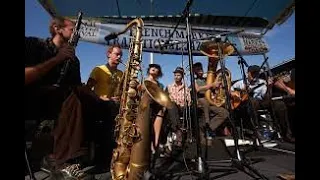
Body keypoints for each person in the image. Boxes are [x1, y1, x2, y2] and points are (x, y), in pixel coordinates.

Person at [25, 16, 117, 177]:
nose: (77, 34)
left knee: (103, 105)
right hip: (33, 99)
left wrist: (99, 99)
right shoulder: (34, 45)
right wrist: (57, 59)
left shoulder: (74, 60)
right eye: (72, 29)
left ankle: (105, 156)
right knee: (71, 94)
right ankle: (63, 161)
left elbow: (77, 87)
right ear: (57, 28)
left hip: (63, 100)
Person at [231, 65, 295, 143]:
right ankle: (255, 131)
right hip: (245, 105)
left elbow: (266, 98)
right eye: (253, 73)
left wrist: (269, 87)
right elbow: (230, 90)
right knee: (252, 101)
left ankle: (286, 134)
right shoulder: (240, 83)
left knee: (279, 104)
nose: (255, 75)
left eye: (256, 73)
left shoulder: (262, 82)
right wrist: (234, 93)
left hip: (260, 102)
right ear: (248, 73)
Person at [86, 44, 123, 170]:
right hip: (100, 104)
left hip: (115, 105)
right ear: (109, 54)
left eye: (120, 55)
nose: (119, 57)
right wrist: (103, 98)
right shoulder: (98, 69)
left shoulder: (121, 73)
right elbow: (87, 89)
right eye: (117, 54)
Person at [193, 62, 229, 140]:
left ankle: (209, 128)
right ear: (194, 71)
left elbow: (213, 89)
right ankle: (205, 127)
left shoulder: (207, 79)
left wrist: (217, 86)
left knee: (224, 112)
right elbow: (197, 89)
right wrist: (212, 85)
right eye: (198, 70)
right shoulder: (194, 80)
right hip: (200, 100)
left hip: (210, 101)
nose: (200, 71)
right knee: (205, 103)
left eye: (201, 69)